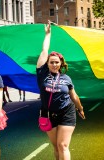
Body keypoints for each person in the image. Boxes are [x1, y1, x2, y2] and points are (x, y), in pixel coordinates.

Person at [36, 20, 85, 160]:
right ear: (47, 63)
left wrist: (80, 108)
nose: (54, 64)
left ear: (61, 64)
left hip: (66, 112)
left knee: (63, 145)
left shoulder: (66, 78)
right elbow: (44, 51)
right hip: (48, 113)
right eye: (51, 62)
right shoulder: (41, 74)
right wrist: (48, 35)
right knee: (56, 146)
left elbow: (74, 96)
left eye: (57, 62)